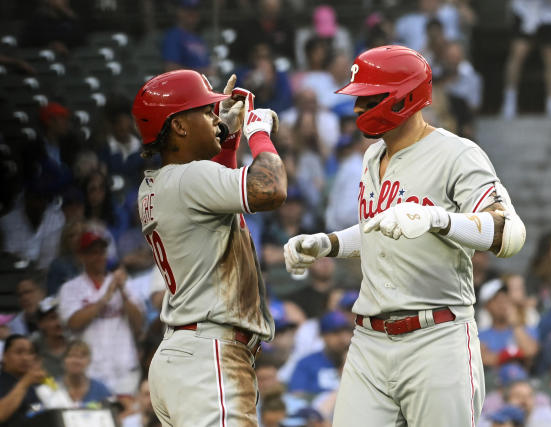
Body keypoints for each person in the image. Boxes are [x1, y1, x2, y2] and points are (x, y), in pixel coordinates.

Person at [284, 45, 526, 427]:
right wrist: (328, 244)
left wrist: (438, 219)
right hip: (369, 341)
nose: (358, 108)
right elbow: (379, 230)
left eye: (369, 98)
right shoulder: (370, 156)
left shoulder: (457, 154)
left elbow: (510, 233)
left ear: (405, 97)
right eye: (357, 98)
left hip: (436, 336)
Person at [131, 69, 286, 426]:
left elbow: (217, 201)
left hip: (182, 356)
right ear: (180, 128)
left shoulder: (159, 183)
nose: (215, 118)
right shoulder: (189, 178)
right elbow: (270, 188)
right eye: (204, 112)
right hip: (209, 355)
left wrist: (227, 140)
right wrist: (257, 133)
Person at [58, 228, 145, 396]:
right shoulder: (70, 288)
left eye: (102, 251)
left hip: (124, 366)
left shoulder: (124, 284)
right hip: (90, 371)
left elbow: (139, 323)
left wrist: (122, 292)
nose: (99, 257)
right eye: (93, 252)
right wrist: (105, 298)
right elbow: (73, 323)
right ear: (81, 256)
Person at [288, 311, 353, 395]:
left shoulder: (360, 362)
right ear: (322, 335)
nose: (344, 339)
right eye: (336, 333)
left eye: (348, 332)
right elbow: (297, 397)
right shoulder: (307, 363)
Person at [0, 335, 45, 427]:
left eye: (30, 353)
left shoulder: (35, 385)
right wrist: (24, 383)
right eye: (19, 352)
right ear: (4, 356)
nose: (25, 358)